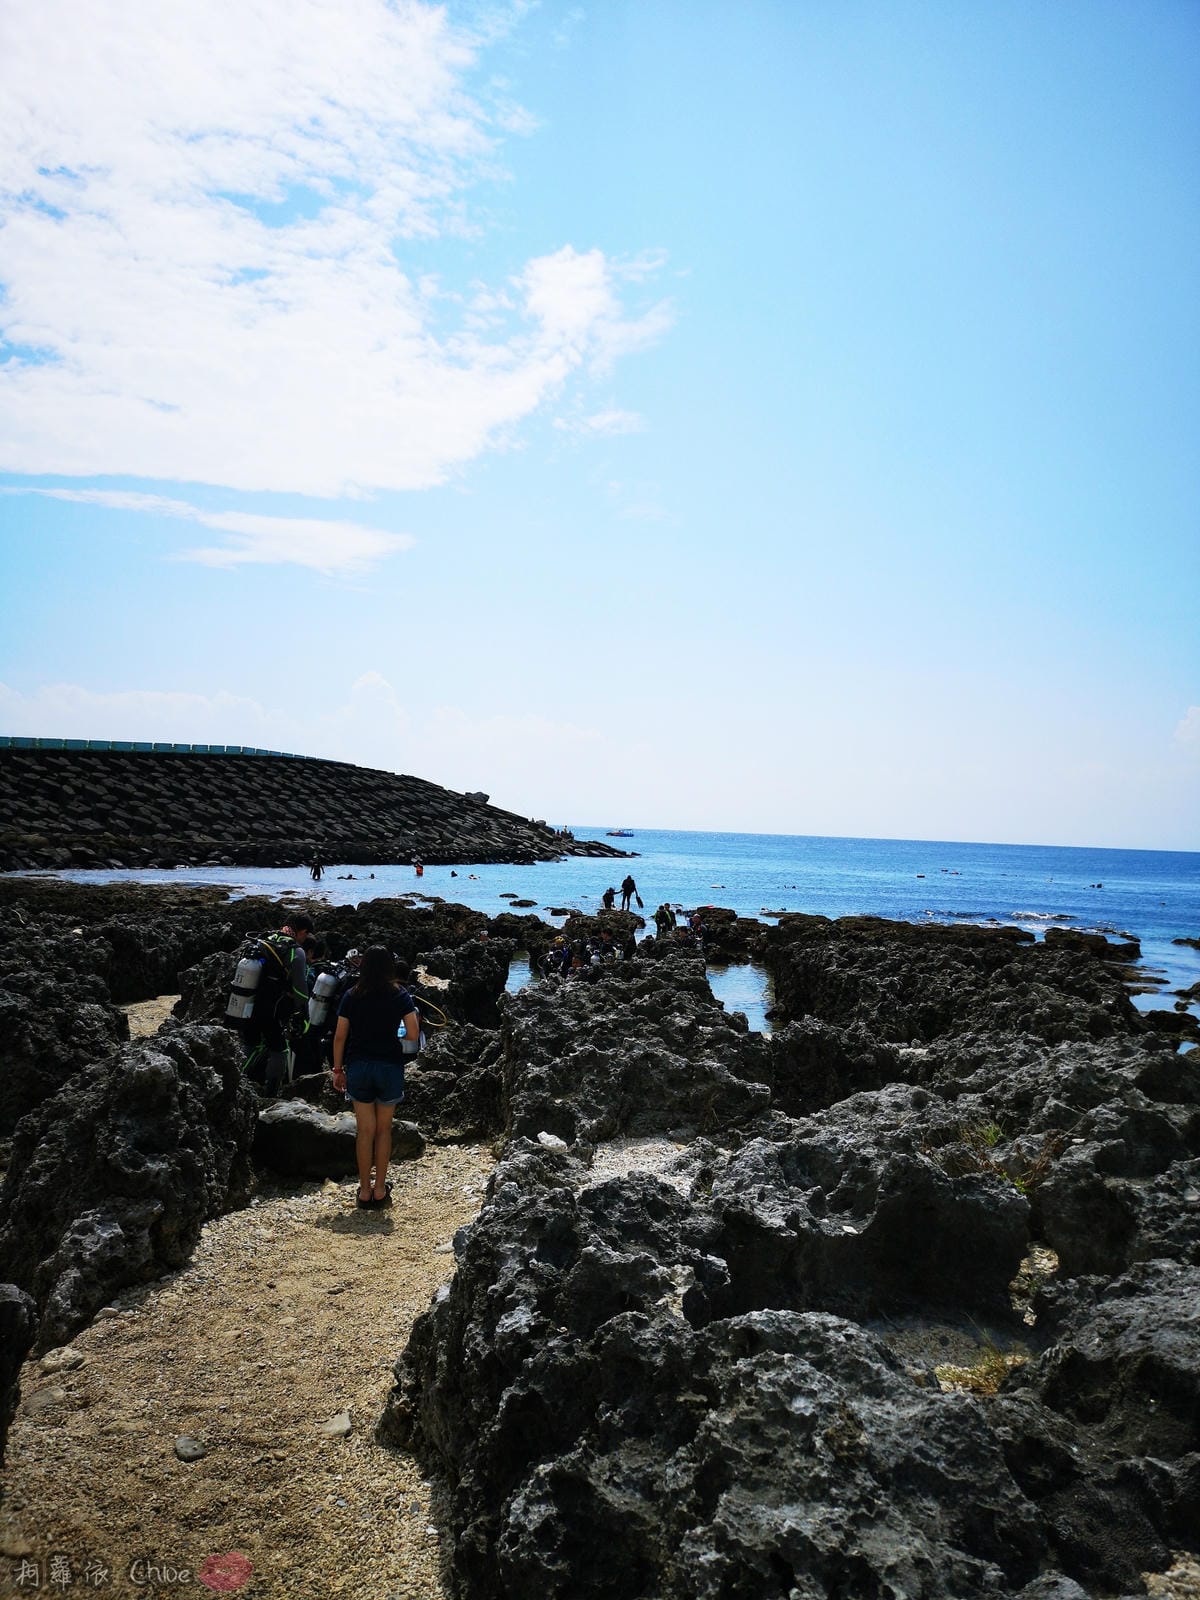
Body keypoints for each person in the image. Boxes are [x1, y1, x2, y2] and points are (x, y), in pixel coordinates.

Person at [331, 946, 419, 1209]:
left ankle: (364, 1191)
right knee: (384, 1130)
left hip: (358, 1066)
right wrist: (394, 1039)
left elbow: (339, 1036)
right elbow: (413, 1034)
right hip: (389, 1066)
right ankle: (381, 1190)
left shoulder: (351, 995)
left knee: (364, 1131)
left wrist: (337, 1069)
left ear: (364, 966)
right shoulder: (399, 995)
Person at [239, 914, 314, 1095]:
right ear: (302, 932)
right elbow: (301, 991)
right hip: (271, 1010)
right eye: (306, 935)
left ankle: (233, 1080)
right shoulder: (294, 951)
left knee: (250, 1044)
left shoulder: (263, 940)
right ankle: (271, 1093)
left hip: (247, 1002)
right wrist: (303, 1016)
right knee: (280, 1049)